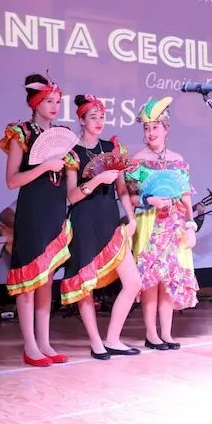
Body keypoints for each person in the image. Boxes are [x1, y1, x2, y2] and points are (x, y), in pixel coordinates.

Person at [0, 73, 77, 367]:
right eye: (48, 101)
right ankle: (29, 345)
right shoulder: (20, 133)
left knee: (47, 280)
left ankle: (44, 342)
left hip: (56, 211)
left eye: (58, 101)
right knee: (28, 280)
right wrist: (44, 165)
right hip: (32, 212)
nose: (55, 106)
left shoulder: (63, 134)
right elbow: (11, 180)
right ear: (35, 102)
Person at [62, 94, 141, 358]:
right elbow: (71, 196)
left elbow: (121, 189)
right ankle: (96, 342)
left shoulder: (112, 147)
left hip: (110, 220)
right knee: (86, 285)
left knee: (133, 282)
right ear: (81, 120)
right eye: (92, 117)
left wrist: (130, 218)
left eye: (102, 117)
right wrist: (96, 181)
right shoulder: (73, 153)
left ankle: (113, 338)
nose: (99, 122)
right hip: (84, 221)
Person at [126, 96, 199, 349]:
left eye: (155, 127)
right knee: (150, 279)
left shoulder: (178, 159)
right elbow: (131, 198)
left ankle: (166, 332)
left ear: (166, 129)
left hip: (175, 222)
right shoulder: (137, 160)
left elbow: (186, 196)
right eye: (146, 128)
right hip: (149, 221)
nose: (150, 132)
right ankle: (151, 333)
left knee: (170, 277)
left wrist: (191, 225)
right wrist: (149, 199)